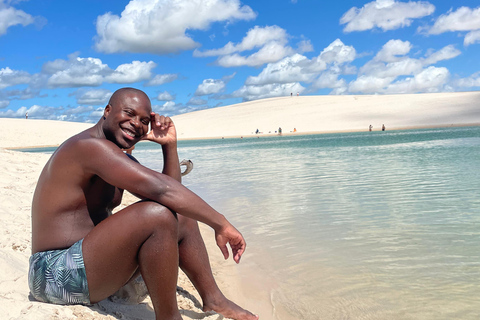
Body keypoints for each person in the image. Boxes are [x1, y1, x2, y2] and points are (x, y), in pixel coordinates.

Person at [29, 87, 258, 320]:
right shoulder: (88, 147)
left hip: (92, 265)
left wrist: (169, 146)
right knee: (156, 214)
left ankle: (213, 298)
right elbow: (161, 189)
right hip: (52, 275)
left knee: (182, 213)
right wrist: (221, 224)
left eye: (144, 120)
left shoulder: (117, 157)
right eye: (129, 113)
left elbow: (172, 194)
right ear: (107, 111)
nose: (136, 123)